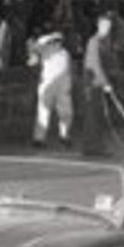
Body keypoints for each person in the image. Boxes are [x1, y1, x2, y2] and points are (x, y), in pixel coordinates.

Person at [30, 31, 73, 149]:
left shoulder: (65, 54)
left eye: (59, 42)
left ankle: (64, 136)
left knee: (66, 114)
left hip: (62, 88)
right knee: (43, 112)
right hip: (47, 86)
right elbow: (35, 47)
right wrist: (47, 39)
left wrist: (68, 87)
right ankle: (39, 138)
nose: (57, 44)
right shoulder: (46, 51)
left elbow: (68, 71)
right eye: (55, 41)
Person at [80, 13, 115, 157]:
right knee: (92, 116)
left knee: (99, 115)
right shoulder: (94, 41)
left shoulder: (105, 41)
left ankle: (96, 145)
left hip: (98, 83)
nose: (107, 28)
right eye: (105, 25)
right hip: (92, 83)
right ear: (99, 25)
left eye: (109, 26)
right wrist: (105, 83)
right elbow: (95, 64)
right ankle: (92, 146)